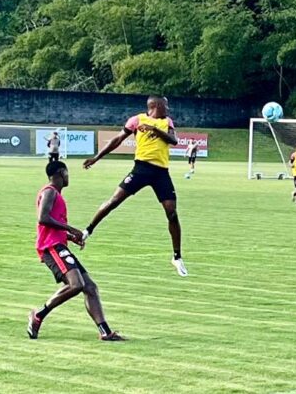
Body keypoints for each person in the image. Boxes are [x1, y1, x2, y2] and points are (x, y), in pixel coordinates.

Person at [81, 96, 187, 277]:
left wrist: (155, 129)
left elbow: (173, 140)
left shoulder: (167, 121)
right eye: (165, 105)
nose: (168, 108)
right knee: (114, 201)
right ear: (155, 105)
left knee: (172, 212)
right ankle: (87, 231)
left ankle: (177, 257)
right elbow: (117, 140)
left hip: (161, 172)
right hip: (141, 169)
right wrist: (97, 157)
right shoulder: (137, 120)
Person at [28, 161, 124, 342]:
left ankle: (105, 331)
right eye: (66, 172)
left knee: (90, 288)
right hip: (51, 247)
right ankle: (39, 315)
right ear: (60, 173)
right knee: (77, 285)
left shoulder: (56, 194)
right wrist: (71, 229)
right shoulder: (49, 192)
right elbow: (43, 218)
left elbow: (52, 224)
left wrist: (69, 237)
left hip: (59, 245)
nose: (68, 176)